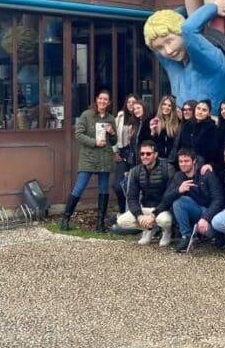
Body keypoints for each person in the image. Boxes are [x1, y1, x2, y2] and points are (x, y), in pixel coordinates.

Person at [144, 0, 225, 112]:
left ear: (181, 33)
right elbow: (155, 48)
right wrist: (181, 12)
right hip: (183, 125)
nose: (168, 51)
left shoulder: (210, 59)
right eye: (161, 47)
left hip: (210, 124)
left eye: (169, 41)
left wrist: (213, 7)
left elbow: (188, 29)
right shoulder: (177, 67)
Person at [60, 89, 117, 232]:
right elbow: (78, 134)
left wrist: (112, 132)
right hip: (89, 157)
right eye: (101, 98)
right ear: (96, 99)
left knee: (104, 189)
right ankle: (65, 219)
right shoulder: (87, 115)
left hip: (104, 157)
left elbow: (114, 141)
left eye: (106, 100)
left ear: (109, 103)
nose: (103, 102)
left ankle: (100, 224)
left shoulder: (110, 118)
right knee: (79, 187)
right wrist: (94, 142)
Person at [164, 148, 225, 253]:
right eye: (181, 161)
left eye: (186, 161)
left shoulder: (206, 173)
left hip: (211, 214)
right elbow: (166, 199)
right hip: (196, 211)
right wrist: (178, 190)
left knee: (210, 230)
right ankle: (186, 237)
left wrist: (206, 218)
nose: (183, 164)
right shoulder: (179, 176)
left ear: (194, 161)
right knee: (179, 202)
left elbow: (218, 199)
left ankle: (219, 236)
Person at [116, 139, 175, 246]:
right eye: (142, 154)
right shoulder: (136, 171)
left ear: (156, 154)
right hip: (145, 208)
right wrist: (139, 216)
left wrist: (153, 215)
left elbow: (169, 196)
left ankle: (166, 232)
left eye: (148, 153)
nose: (145, 156)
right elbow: (132, 197)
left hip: (162, 209)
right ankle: (148, 229)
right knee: (121, 221)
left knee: (165, 221)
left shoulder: (167, 168)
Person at [112, 93, 139, 213]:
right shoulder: (120, 116)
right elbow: (114, 135)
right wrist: (114, 152)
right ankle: (122, 211)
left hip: (136, 156)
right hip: (122, 154)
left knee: (132, 186)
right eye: (129, 102)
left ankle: (132, 212)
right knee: (117, 185)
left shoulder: (140, 118)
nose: (131, 105)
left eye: (134, 102)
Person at [185, 98, 220, 166]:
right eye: (198, 108)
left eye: (204, 110)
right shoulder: (188, 125)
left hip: (203, 164)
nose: (200, 112)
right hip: (186, 161)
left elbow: (212, 152)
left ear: (209, 113)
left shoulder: (212, 128)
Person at [151, 95, 181, 163]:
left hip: (173, 161)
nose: (166, 107)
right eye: (164, 104)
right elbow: (151, 143)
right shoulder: (155, 121)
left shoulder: (178, 122)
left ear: (173, 108)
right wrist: (152, 133)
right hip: (158, 159)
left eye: (169, 105)